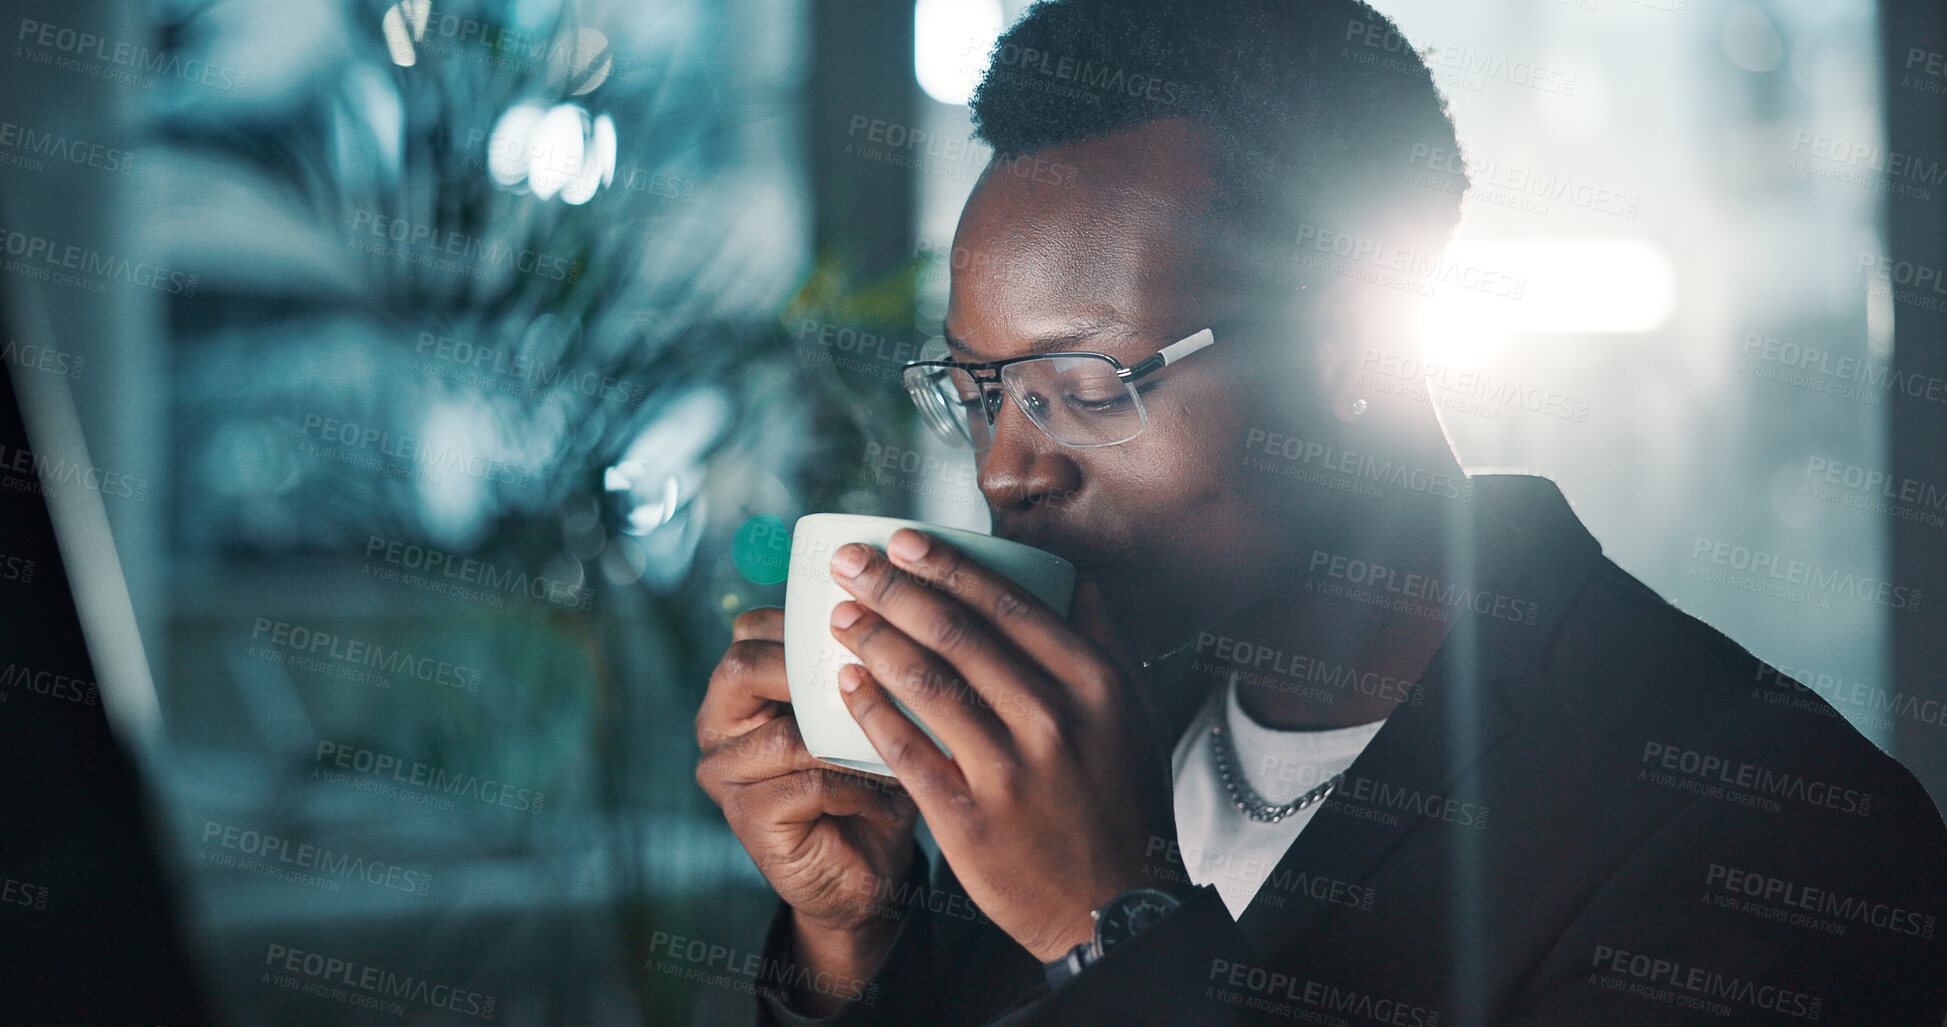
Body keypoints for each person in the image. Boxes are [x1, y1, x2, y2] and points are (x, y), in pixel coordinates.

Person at [695, 0, 1947, 1022]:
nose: (1008, 470)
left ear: (1357, 341)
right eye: (978, 392)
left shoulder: (1765, 822)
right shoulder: (1060, 730)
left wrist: (1112, 924)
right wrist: (851, 948)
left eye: (1084, 385)